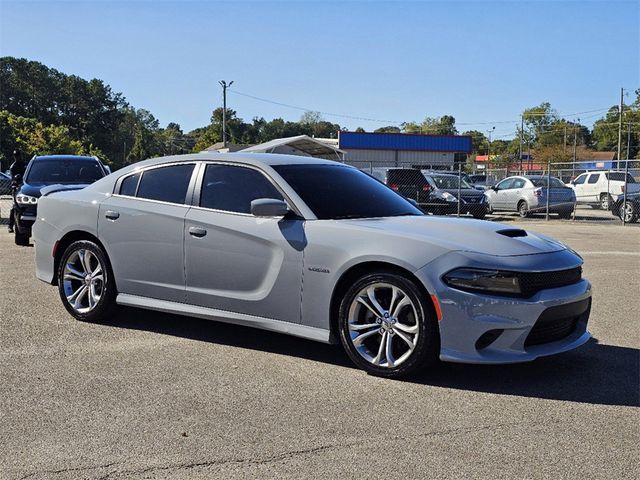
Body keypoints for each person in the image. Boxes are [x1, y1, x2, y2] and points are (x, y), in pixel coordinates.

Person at [8, 150, 26, 233]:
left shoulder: (25, 165)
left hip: (25, 187)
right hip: (16, 188)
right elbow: (13, 179)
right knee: (14, 206)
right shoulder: (13, 167)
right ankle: (10, 225)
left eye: (18, 155)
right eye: (15, 156)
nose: (17, 157)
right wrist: (15, 182)